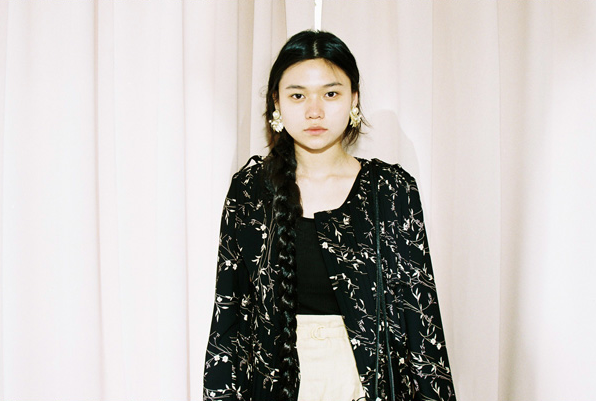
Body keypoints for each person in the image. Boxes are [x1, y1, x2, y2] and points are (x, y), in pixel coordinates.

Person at [203, 30, 456, 401]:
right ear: (276, 103)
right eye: (298, 95)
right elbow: (227, 318)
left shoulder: (390, 189)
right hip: (273, 383)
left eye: (331, 93)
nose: (314, 111)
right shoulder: (250, 191)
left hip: (366, 383)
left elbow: (421, 318)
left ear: (354, 99)